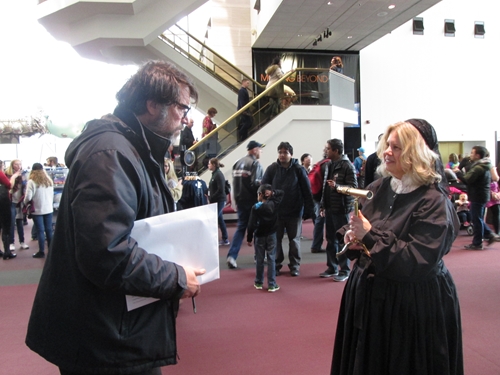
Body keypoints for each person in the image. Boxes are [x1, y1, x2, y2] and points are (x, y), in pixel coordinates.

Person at [25, 61, 205, 375]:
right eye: (182, 108)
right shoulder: (111, 153)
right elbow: (106, 253)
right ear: (152, 105)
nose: (184, 120)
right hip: (104, 338)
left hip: (112, 328)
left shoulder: (129, 149)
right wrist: (175, 277)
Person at [331, 119, 463, 375]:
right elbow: (364, 227)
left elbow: (417, 260)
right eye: (388, 145)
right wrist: (352, 238)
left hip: (411, 305)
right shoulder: (378, 187)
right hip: (371, 297)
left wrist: (368, 237)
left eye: (397, 147)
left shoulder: (433, 202)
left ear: (416, 153)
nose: (387, 152)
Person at [262, 141, 315, 277]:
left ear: (291, 154)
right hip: (276, 212)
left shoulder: (298, 169)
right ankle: (277, 265)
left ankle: (294, 266)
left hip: (294, 211)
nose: (282, 155)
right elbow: (263, 188)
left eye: (285, 152)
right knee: (276, 240)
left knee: (294, 240)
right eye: (280, 152)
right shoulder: (272, 169)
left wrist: (309, 208)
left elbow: (306, 190)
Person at [319, 139, 357, 282]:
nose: (326, 151)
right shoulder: (329, 165)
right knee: (330, 239)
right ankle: (332, 267)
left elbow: (353, 188)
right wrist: (323, 204)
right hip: (329, 208)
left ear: (335, 150)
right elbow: (325, 187)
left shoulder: (347, 166)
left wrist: (337, 186)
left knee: (342, 240)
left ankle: (344, 269)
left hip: (340, 209)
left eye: (328, 148)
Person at [226, 140, 264, 269]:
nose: (261, 152)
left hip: (240, 200)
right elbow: (255, 184)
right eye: (260, 149)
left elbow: (234, 183)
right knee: (258, 229)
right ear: (254, 150)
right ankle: (258, 256)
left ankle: (232, 256)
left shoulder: (237, 163)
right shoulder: (254, 164)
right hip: (252, 202)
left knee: (241, 228)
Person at [456, 146, 500, 250]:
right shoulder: (485, 165)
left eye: (472, 153)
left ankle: (477, 243)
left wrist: (458, 173)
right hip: (481, 195)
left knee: (477, 219)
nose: (470, 155)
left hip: (478, 195)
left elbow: (467, 180)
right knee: (477, 217)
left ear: (478, 155)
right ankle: (489, 235)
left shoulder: (478, 167)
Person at [247, 184, 283, 292]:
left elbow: (251, 224)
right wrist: (273, 192)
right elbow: (282, 193)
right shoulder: (274, 204)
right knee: (271, 258)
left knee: (260, 259)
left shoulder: (256, 208)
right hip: (271, 234)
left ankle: (258, 282)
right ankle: (272, 284)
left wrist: (249, 237)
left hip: (259, 235)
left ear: (260, 194)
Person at [24, 163, 54, 258]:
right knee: (49, 230)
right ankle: (51, 250)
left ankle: (41, 252)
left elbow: (28, 197)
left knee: (40, 231)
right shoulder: (49, 180)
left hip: (37, 209)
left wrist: (25, 203)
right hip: (48, 208)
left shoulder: (32, 181)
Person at [5, 159, 29, 251]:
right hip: (11, 201)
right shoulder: (8, 175)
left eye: (20, 164)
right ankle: (11, 243)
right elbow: (9, 187)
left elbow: (25, 187)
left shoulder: (23, 175)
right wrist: (14, 177)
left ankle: (22, 242)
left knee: (20, 222)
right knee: (11, 222)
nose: (18, 166)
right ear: (12, 165)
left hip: (20, 201)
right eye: (16, 164)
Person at [208, 157, 229, 246]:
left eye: (209, 164)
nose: (208, 165)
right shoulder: (214, 174)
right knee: (220, 219)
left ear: (213, 165)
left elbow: (221, 189)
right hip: (216, 200)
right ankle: (225, 238)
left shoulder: (219, 175)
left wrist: (212, 197)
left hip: (220, 200)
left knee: (215, 218)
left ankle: (221, 238)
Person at [0, 169, 14, 259]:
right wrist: (14, 177)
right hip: (3, 202)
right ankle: (7, 252)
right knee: (6, 225)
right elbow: (9, 185)